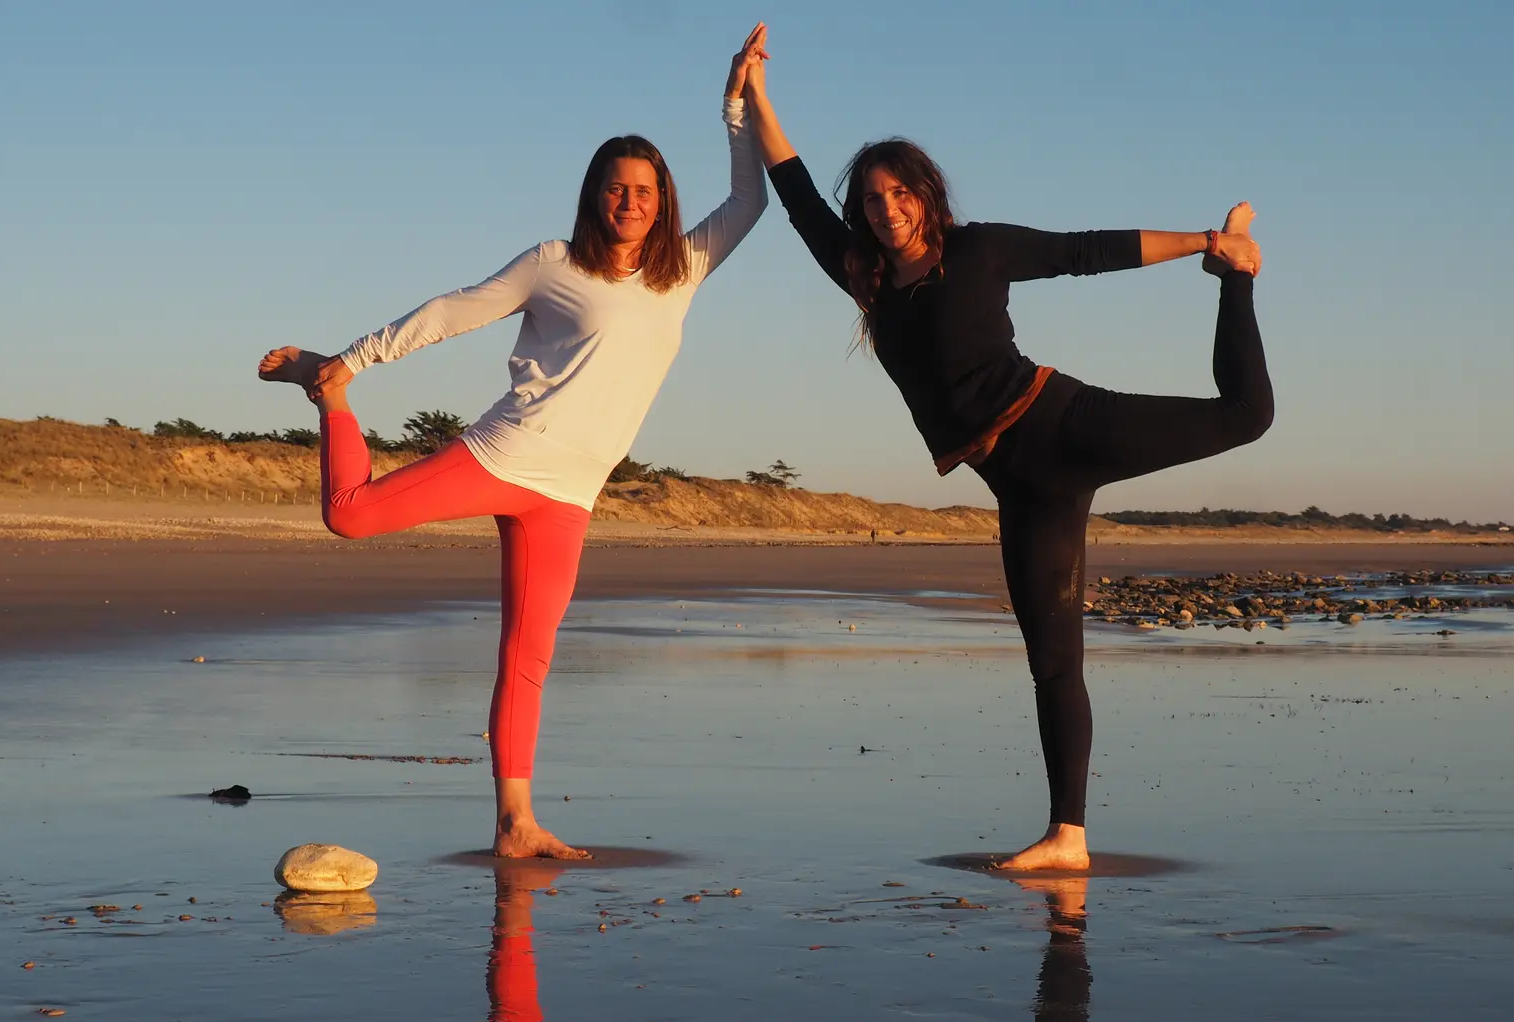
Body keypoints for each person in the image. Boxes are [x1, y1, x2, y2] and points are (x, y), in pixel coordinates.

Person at [739, 29, 1273, 870]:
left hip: (1062, 424)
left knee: (1247, 416)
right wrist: (757, 103)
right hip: (1021, 488)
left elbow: (1085, 252)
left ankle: (1237, 276)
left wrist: (1206, 243)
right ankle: (1068, 836)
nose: (887, 210)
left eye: (899, 194)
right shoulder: (865, 279)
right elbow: (799, 195)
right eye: (873, 202)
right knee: (1053, 662)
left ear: (926, 194)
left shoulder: (980, 249)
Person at [256, 26, 771, 860]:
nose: (630, 202)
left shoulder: (684, 267)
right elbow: (453, 310)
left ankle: (515, 822)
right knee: (349, 516)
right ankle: (331, 396)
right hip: (505, 453)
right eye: (615, 188)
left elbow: (751, 200)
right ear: (593, 194)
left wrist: (738, 102)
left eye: (643, 190)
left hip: (572, 496)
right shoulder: (554, 262)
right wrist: (352, 358)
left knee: (528, 657)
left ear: (663, 198)